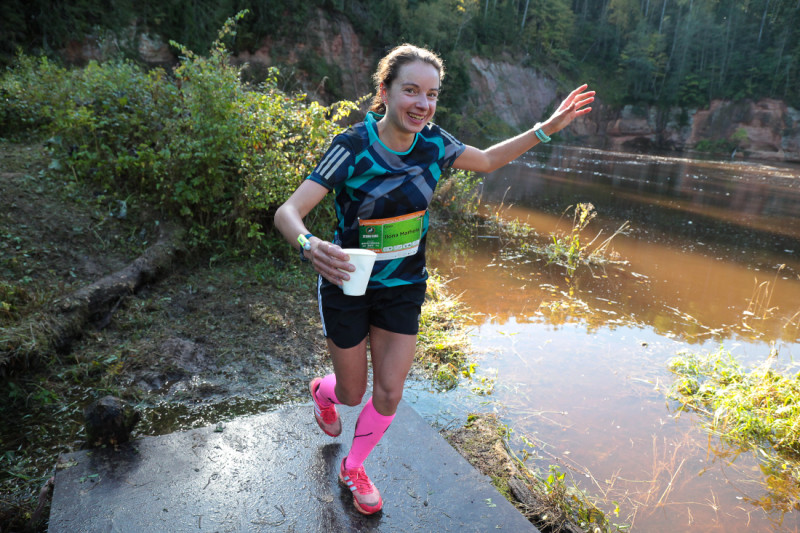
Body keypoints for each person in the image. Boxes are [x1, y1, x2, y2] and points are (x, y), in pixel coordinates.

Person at [273, 43, 594, 515]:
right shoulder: (352, 147)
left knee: (389, 391)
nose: (423, 103)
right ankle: (323, 391)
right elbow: (288, 212)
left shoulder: (435, 145)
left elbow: (484, 161)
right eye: (411, 91)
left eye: (432, 94)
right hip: (349, 284)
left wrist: (546, 130)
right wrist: (309, 244)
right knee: (352, 393)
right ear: (384, 92)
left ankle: (354, 466)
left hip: (403, 287)